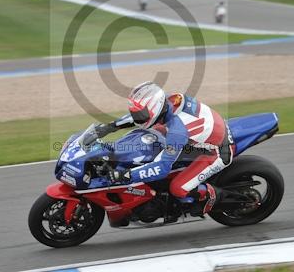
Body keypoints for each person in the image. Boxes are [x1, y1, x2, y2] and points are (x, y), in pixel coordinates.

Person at [94, 81, 233, 217]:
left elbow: (162, 168)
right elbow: (141, 117)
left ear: (155, 108)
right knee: (153, 133)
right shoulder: (166, 101)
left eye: (140, 115)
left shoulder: (177, 131)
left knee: (178, 188)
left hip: (216, 151)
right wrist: (110, 126)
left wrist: (126, 175)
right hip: (204, 134)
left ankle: (212, 197)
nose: (137, 118)